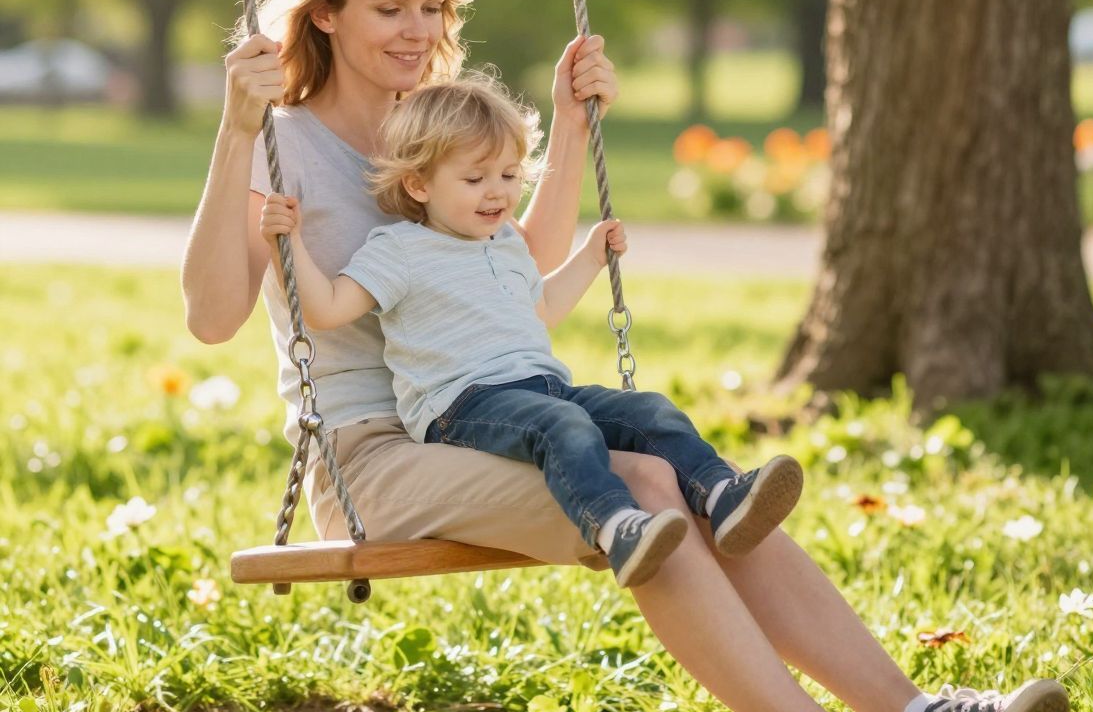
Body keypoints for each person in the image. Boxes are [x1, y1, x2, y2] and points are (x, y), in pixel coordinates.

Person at [183, 0, 1070, 712]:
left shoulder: (434, 124)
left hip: (497, 413)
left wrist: (569, 125)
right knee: (642, 483)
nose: (418, 30)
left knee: (685, 479)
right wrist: (236, 131)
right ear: (325, 11)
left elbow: (510, 271)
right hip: (373, 460)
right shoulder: (281, 141)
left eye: (433, 6)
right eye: (389, 8)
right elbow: (211, 317)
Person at [258, 73, 807, 590]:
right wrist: (292, 244)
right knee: (563, 425)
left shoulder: (504, 243)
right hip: (461, 405)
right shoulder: (398, 250)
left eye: (508, 175)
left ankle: (720, 495)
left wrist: (590, 259)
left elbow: (540, 309)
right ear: (419, 184)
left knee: (648, 411)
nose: (496, 193)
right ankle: (616, 526)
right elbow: (326, 309)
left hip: (542, 388)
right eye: (474, 179)